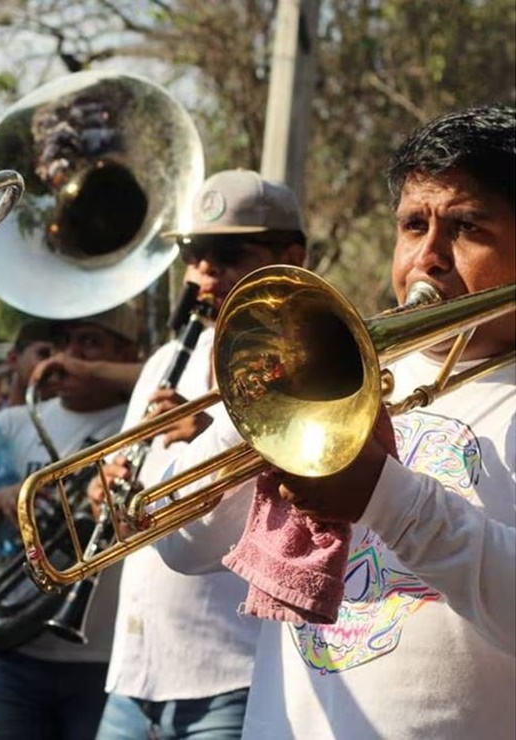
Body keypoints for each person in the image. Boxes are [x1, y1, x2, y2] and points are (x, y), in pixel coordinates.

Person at [155, 104, 514, 738]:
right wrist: (263, 408)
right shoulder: (350, 365)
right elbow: (183, 546)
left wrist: (386, 496)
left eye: (465, 227)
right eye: (412, 225)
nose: (427, 258)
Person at [92, 170, 308, 739]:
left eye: (225, 253)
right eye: (192, 252)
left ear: (292, 256)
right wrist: (113, 489)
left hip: (233, 671)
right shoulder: (167, 359)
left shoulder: (312, 360)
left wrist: (211, 433)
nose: (202, 272)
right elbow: (135, 505)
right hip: (135, 673)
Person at [0, 307, 141, 740]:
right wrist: (6, 500)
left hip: (105, 659)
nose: (70, 357)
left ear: (124, 354)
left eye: (91, 343)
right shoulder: (12, 423)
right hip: (17, 653)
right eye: (64, 344)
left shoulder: (140, 425)